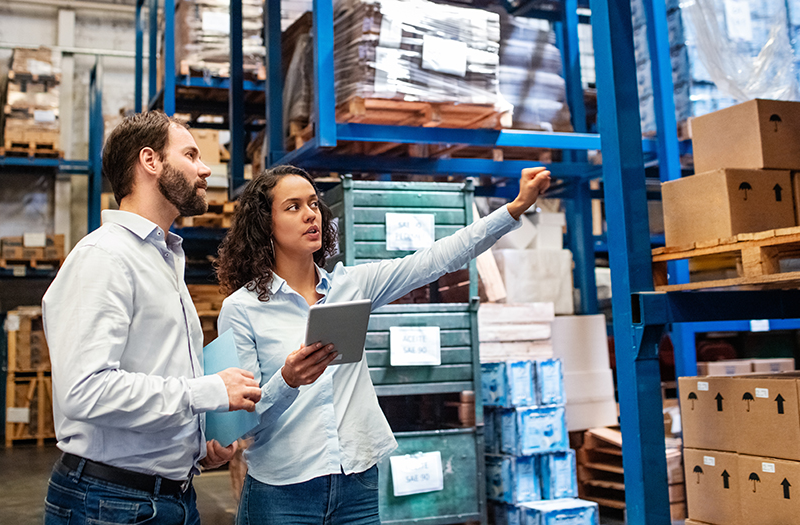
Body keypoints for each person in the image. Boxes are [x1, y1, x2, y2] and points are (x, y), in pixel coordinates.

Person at [216, 165, 551, 524]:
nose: (311, 213)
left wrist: (514, 208)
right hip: (281, 494)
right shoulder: (241, 309)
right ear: (265, 224)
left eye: (313, 203)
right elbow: (240, 425)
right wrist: (288, 380)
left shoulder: (352, 286)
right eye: (293, 206)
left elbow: (437, 258)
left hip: (356, 486)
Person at [41, 111, 263, 525]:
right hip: (110, 503)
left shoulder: (163, 257)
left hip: (168, 497)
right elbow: (86, 391)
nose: (205, 168)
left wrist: (197, 444)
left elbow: (154, 370)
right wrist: (207, 392)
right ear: (150, 161)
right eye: (191, 154)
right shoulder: (105, 258)